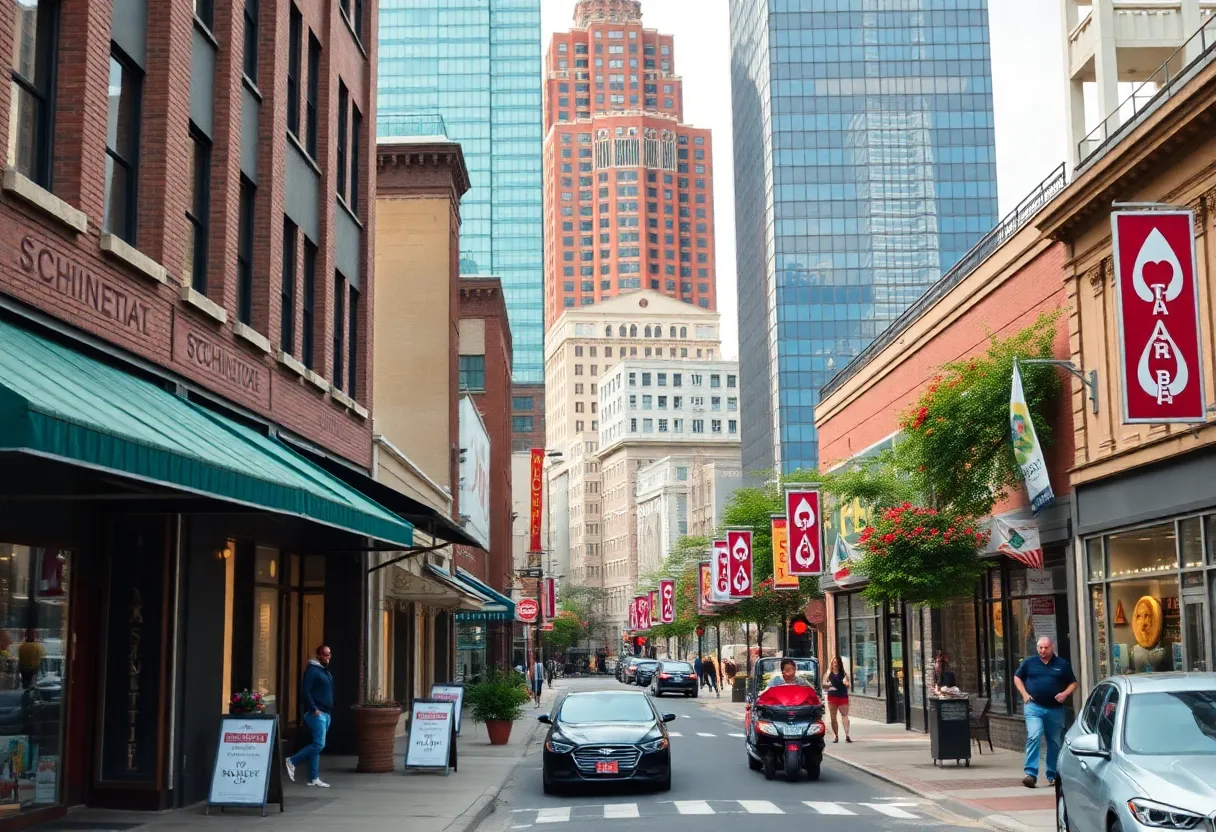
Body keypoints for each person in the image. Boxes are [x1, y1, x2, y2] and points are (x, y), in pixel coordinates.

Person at [1013, 636, 1077, 789]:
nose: (1042, 650)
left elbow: (1073, 683)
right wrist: (1024, 694)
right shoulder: (1029, 662)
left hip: (1055, 709)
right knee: (1034, 734)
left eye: (1045, 648)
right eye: (1040, 648)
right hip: (1033, 707)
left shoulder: (1062, 664)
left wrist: (1065, 694)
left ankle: (1053, 774)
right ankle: (1031, 774)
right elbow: (1017, 677)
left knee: (1054, 742)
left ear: (1051, 647)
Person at [286, 645, 334, 788]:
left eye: (329, 654)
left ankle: (313, 778)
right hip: (316, 714)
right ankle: (292, 761)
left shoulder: (323, 670)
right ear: (318, 655)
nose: (328, 657)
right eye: (325, 654)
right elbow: (305, 691)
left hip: (326, 714)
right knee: (319, 744)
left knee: (316, 746)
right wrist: (314, 709)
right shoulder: (312, 670)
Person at [824, 656, 851, 743]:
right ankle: (836, 736)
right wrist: (828, 685)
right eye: (834, 662)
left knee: (845, 715)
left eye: (837, 662)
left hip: (843, 696)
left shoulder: (844, 673)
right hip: (832, 696)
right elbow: (824, 684)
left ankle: (847, 735)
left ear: (840, 664)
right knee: (833, 717)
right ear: (832, 663)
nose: (835, 663)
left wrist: (846, 683)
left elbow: (847, 683)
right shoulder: (829, 672)